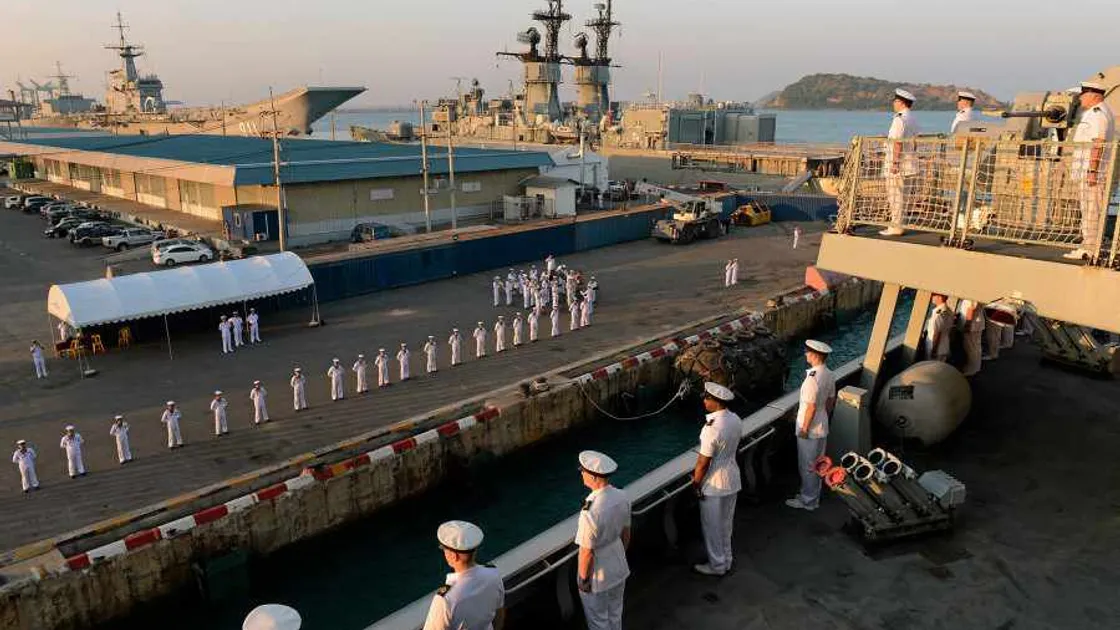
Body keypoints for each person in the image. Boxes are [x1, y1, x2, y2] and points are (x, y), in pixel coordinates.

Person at [575, 450, 631, 630]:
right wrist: (619, 557)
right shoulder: (622, 496)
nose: (581, 474)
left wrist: (583, 580)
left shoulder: (589, 512)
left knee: (598, 621)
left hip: (598, 576)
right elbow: (626, 533)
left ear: (593, 477)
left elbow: (586, 552)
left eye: (583, 471)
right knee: (615, 614)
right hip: (619, 565)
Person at [691, 382, 742, 576]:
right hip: (732, 477)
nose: (704, 401)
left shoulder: (711, 428)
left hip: (714, 483)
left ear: (716, 402)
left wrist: (696, 484)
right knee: (726, 524)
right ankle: (726, 560)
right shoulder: (735, 419)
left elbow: (703, 462)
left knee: (712, 527)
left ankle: (717, 566)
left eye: (707, 398)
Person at [1065, 81, 1116, 261]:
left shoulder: (1097, 114)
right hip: (1089, 171)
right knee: (1089, 210)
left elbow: (1098, 143)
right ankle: (1088, 246)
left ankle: (1090, 249)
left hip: (1093, 173)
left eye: (1083, 95)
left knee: (1092, 211)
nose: (1080, 98)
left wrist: (1092, 171)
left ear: (1094, 95)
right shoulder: (1097, 112)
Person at [422, 520, 505, 630]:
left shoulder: (445, 600)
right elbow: (499, 615)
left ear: (454, 556)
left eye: (444, 549)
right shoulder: (493, 574)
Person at [786, 341, 836, 511]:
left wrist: (805, 429)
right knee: (819, 463)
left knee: (807, 466)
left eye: (807, 352)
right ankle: (813, 495)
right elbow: (830, 401)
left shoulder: (812, 379)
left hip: (810, 430)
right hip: (822, 425)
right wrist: (824, 418)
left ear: (815, 355)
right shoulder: (829, 374)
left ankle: (808, 501)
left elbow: (811, 407)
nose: (805, 354)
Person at [881, 88, 921, 237]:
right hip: (911, 164)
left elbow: (898, 143)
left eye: (895, 101)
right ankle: (900, 224)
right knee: (904, 198)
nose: (893, 103)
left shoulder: (899, 119)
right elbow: (916, 141)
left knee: (895, 197)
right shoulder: (913, 118)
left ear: (901, 102)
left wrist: (895, 163)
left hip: (899, 165)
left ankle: (896, 227)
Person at [958, 299, 985, 376]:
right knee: (976, 347)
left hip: (973, 325)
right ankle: (976, 367)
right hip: (977, 323)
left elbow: (971, 308)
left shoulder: (972, 296)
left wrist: (967, 325)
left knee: (971, 348)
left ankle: (971, 369)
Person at [925, 294, 953, 362]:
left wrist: (934, 350)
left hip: (937, 350)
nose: (931, 296)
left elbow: (937, 333)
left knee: (932, 367)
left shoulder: (939, 313)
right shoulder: (949, 310)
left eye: (934, 295)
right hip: (943, 347)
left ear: (940, 297)